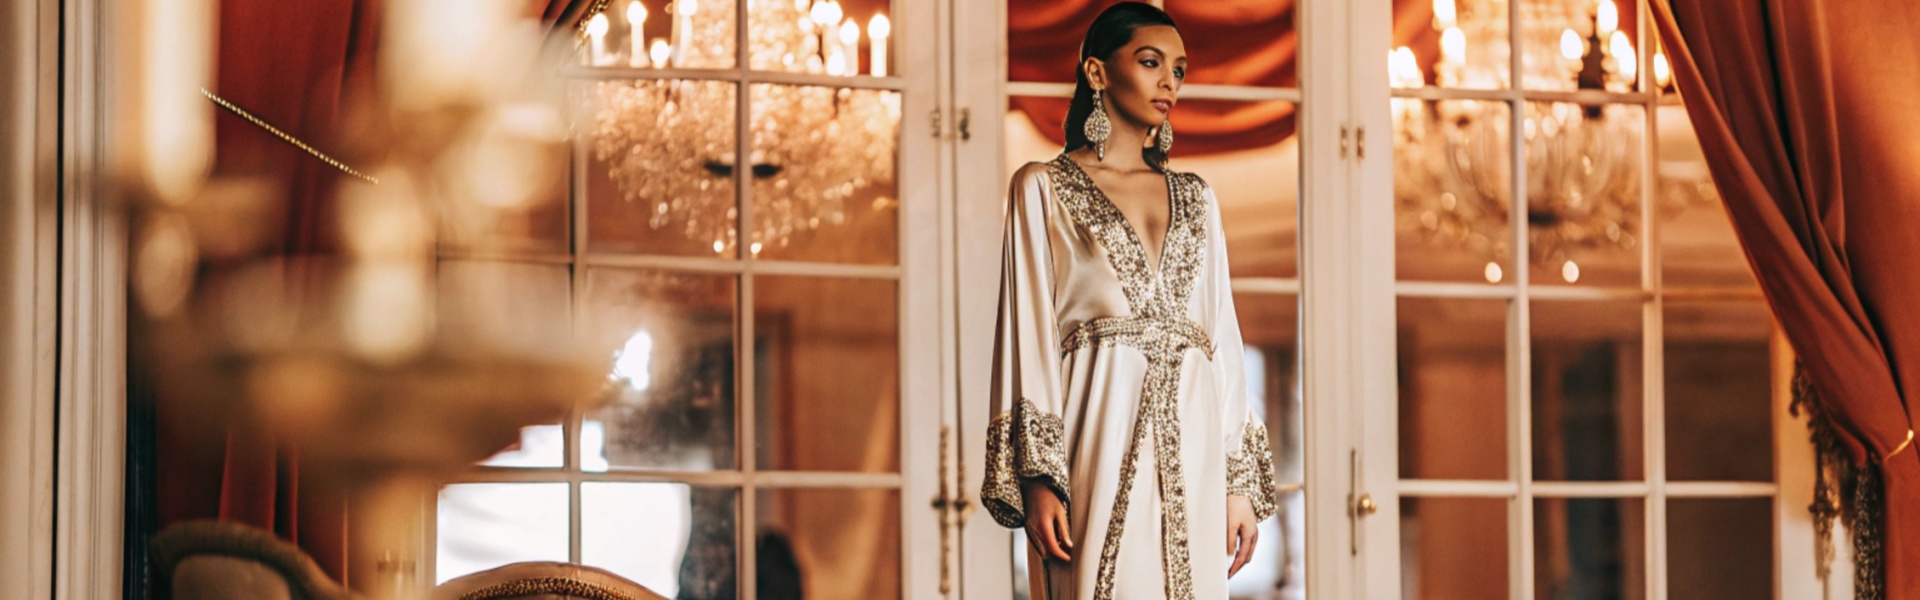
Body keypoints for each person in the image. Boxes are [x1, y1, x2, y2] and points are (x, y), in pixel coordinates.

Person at [980, 3, 1279, 599]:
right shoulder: (1041, 189)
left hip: (1194, 456)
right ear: (1097, 72)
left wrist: (1236, 481)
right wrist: (1040, 476)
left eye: (1179, 69)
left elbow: (1220, 338)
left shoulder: (1197, 200)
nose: (1169, 81)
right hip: (1095, 446)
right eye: (1150, 62)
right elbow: (1029, 335)